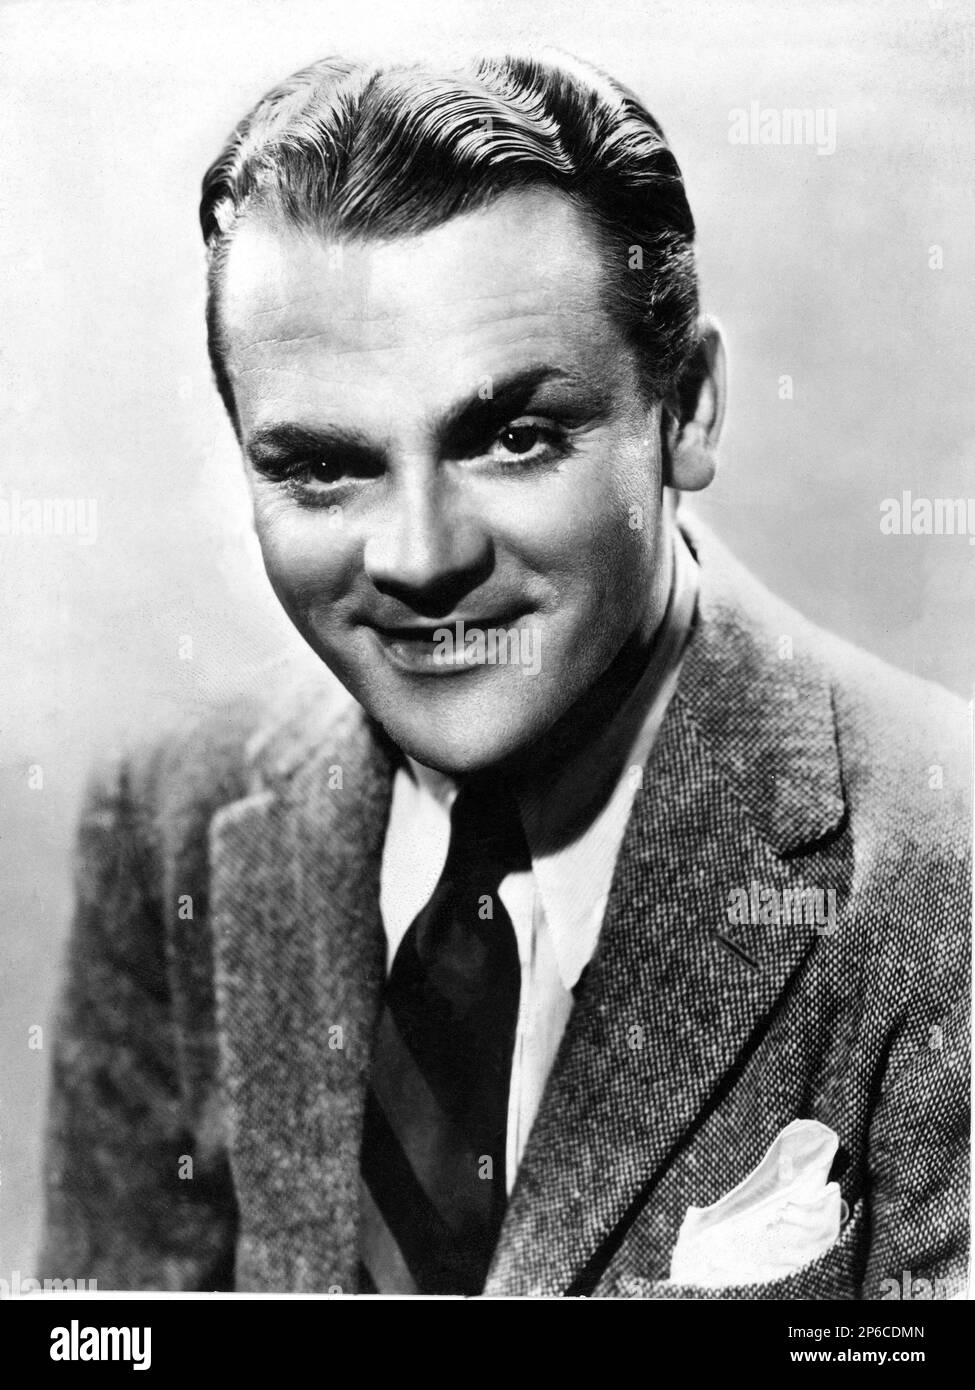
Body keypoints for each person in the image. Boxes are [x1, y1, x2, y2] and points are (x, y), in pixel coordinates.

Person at [40, 51, 969, 1299]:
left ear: (687, 409)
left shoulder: (944, 870)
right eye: (323, 468)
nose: (420, 558)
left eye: (514, 438)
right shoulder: (168, 818)